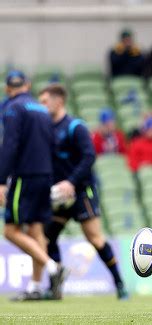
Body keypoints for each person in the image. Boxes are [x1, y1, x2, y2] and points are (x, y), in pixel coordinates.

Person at [38, 84, 128, 300]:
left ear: (58, 101)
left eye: (45, 101)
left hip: (80, 192)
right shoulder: (45, 128)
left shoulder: (75, 127)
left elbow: (89, 157)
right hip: (58, 196)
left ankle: (119, 283)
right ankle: (54, 287)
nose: (42, 105)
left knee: (95, 238)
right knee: (47, 236)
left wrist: (70, 182)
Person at [0, 71, 67, 301]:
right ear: (27, 86)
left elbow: (9, 145)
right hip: (45, 176)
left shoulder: (12, 108)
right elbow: (52, 144)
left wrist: (1, 180)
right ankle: (36, 286)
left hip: (25, 177)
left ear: (8, 89)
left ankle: (52, 266)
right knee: (36, 231)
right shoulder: (41, 109)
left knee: (10, 231)